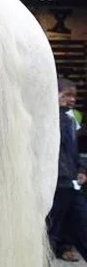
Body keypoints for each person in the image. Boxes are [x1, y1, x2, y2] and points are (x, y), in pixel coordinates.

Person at [47, 77, 87, 261]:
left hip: (71, 185)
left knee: (83, 228)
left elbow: (74, 149)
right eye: (67, 95)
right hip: (55, 187)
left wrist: (81, 169)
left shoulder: (71, 118)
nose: (71, 99)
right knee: (49, 234)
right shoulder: (48, 118)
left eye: (74, 96)